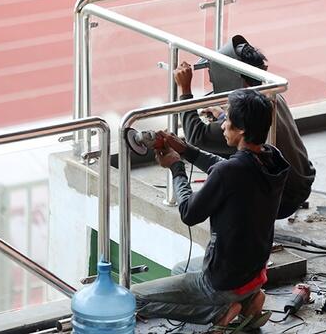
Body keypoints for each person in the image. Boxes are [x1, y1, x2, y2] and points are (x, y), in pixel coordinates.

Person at [132, 88, 290, 332]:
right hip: (253, 274)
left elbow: (189, 213)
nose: (223, 125)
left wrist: (176, 168)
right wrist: (185, 149)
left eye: (227, 120)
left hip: (222, 280)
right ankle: (248, 300)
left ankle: (219, 311)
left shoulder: (230, 173)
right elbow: (225, 166)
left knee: (134, 299)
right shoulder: (273, 159)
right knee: (179, 269)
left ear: (242, 130)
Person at [175, 35, 315, 219]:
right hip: (300, 185)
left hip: (281, 201)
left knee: (229, 144)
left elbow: (196, 136)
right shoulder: (270, 95)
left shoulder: (244, 125)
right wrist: (224, 114)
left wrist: (185, 91)